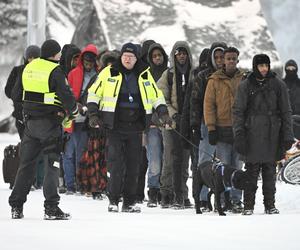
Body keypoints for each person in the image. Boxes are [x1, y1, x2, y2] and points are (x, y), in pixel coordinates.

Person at [87, 42, 172, 213]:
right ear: (121, 57)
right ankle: (113, 199)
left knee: (134, 166)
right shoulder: (108, 72)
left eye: (131, 57)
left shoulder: (144, 75)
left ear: (136, 58)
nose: (127, 59)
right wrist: (93, 114)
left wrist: (163, 113)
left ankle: (129, 202)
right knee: (116, 164)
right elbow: (94, 93)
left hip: (136, 127)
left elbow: (157, 96)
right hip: (115, 126)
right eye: (125, 56)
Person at [8, 39, 78, 220]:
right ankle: (51, 208)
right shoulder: (55, 71)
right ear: (55, 54)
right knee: (52, 165)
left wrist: (28, 107)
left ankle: (16, 206)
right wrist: (74, 111)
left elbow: (16, 94)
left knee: (26, 166)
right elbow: (67, 96)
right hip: (50, 125)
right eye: (59, 53)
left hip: (30, 125)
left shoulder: (27, 68)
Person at [233, 54, 294, 215]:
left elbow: (286, 111)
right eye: (261, 66)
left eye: (266, 65)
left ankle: (270, 205)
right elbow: (238, 112)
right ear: (255, 67)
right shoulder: (245, 85)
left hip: (272, 134)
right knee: (251, 173)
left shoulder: (278, 85)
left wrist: (288, 135)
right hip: (251, 134)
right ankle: (248, 205)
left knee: (269, 172)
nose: (264, 69)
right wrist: (239, 135)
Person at [204, 46, 244, 213]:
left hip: (240, 130)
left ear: (237, 60)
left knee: (237, 167)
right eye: (228, 59)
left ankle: (236, 200)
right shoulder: (214, 80)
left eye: (234, 59)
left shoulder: (244, 79)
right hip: (221, 130)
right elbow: (209, 105)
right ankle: (222, 200)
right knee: (223, 167)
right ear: (223, 61)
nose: (231, 61)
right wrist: (211, 128)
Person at [190, 42, 227, 211]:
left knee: (224, 163)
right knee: (204, 162)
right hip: (206, 123)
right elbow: (195, 102)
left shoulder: (233, 75)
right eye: (216, 57)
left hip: (227, 124)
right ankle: (203, 199)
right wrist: (194, 125)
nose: (219, 60)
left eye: (222, 56)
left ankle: (224, 199)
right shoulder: (202, 76)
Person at [157, 41, 194, 209]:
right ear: (174, 55)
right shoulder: (168, 75)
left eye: (184, 53)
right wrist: (173, 114)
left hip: (187, 123)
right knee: (169, 159)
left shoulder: (194, 74)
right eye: (179, 53)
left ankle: (183, 194)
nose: (182, 56)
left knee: (184, 160)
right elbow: (160, 98)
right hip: (170, 123)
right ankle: (166, 193)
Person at [63, 44, 98, 194]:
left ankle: (78, 184)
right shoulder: (73, 74)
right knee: (68, 153)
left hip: (86, 120)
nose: (88, 63)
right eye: (86, 60)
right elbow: (66, 94)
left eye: (91, 60)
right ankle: (70, 184)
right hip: (71, 117)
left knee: (81, 153)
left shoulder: (98, 75)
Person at [144, 42, 169, 207]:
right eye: (154, 56)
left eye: (159, 55)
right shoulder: (145, 76)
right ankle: (152, 191)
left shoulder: (169, 74)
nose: (157, 58)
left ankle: (164, 190)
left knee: (167, 159)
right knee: (154, 160)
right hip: (152, 125)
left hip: (167, 124)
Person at [5, 45, 41, 139]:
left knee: (26, 144)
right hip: (37, 116)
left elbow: (8, 91)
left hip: (21, 114)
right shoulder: (42, 72)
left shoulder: (17, 70)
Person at [282, 59, 300, 139]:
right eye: (288, 68)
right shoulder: (281, 84)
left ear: (296, 69)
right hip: (284, 118)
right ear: (285, 69)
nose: (291, 70)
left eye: (293, 68)